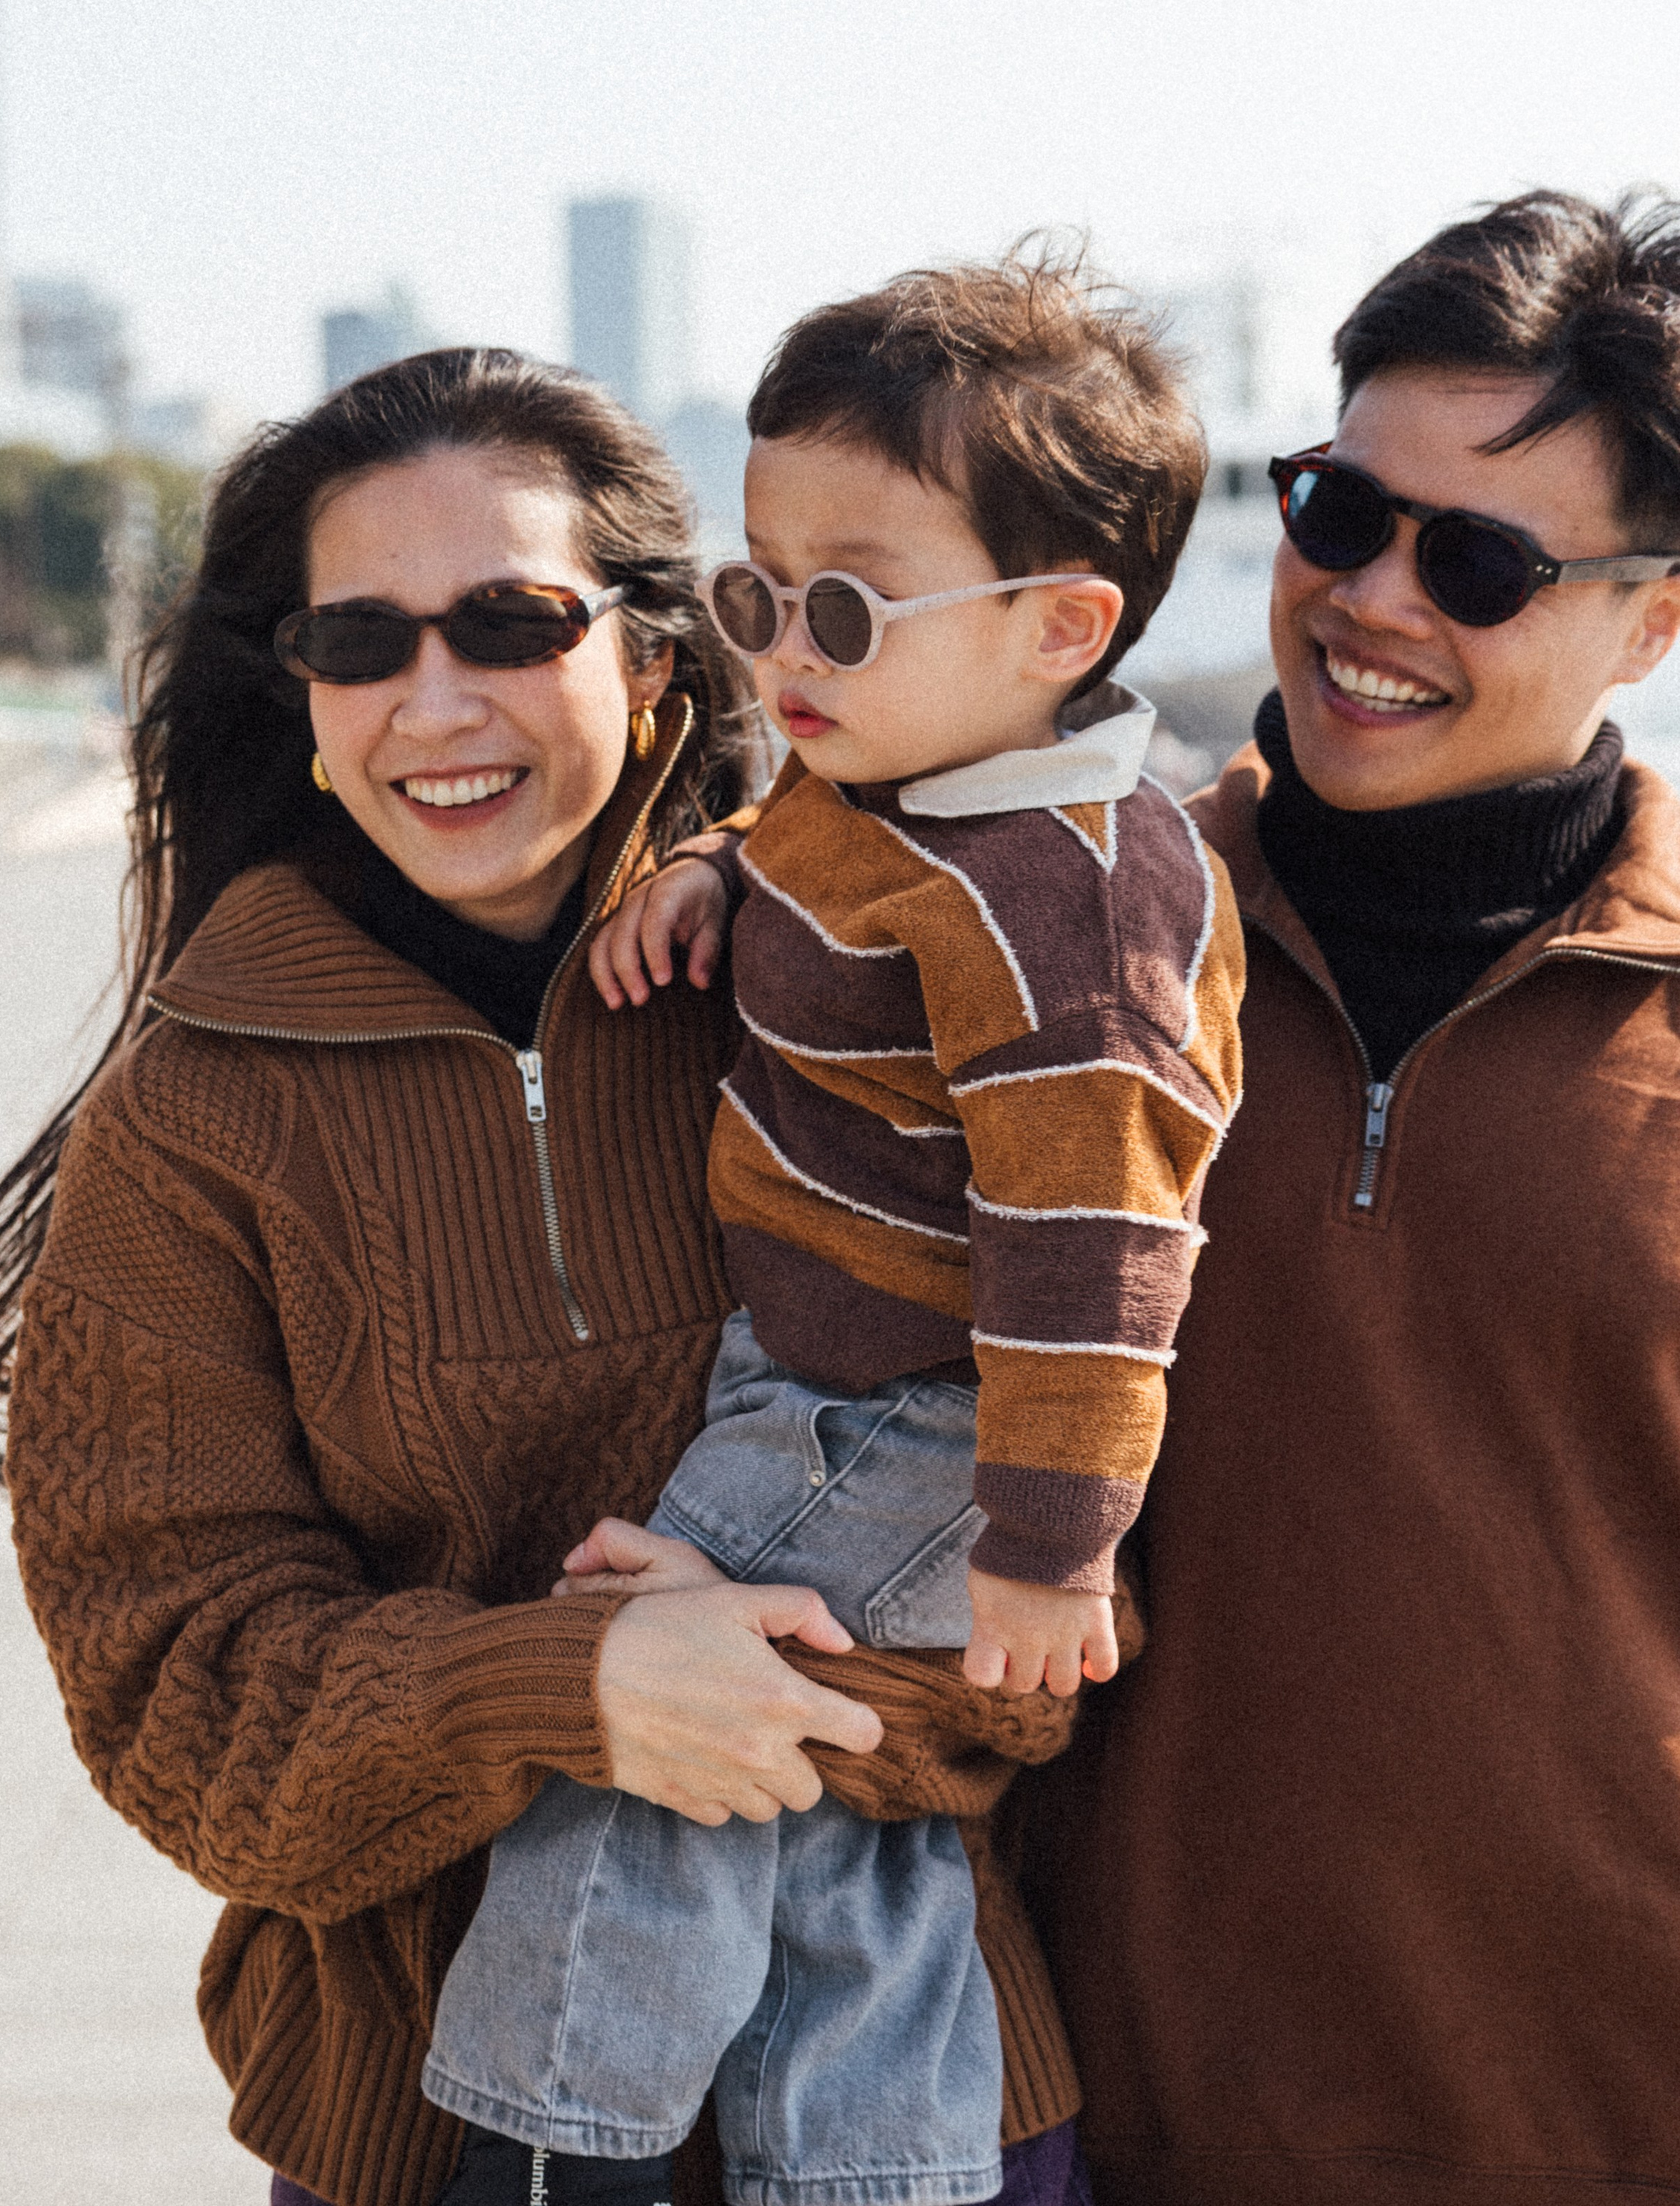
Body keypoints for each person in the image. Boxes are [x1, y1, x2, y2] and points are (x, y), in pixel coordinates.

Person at [0, 346, 1084, 2206]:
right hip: (431, 2124)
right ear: (297, 697)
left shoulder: (881, 990)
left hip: (923, 2102)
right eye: (358, 644)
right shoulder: (193, 1118)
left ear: (648, 652)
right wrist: (579, 1686)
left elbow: (1067, 1551)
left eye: (509, 621)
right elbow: (175, 1697)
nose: (432, 700)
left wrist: (808, 1691)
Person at [421, 262, 1242, 2206]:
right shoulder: (899, 764)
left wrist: (1050, 1553)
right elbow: (812, 842)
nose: (784, 647)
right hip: (844, 1381)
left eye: (849, 604)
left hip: (907, 1416)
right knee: (841, 1828)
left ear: (1061, 627)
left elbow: (1095, 1257)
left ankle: (560, 2138)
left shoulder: (1062, 914)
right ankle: (879, 2171)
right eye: (754, 587)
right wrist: (713, 871)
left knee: (655, 1703)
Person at [1030, 190, 1680, 2202]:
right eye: (1338, 514)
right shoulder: (1053, 944)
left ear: (1654, 618)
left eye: (1478, 558)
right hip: (1088, 2127)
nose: (1376, 600)